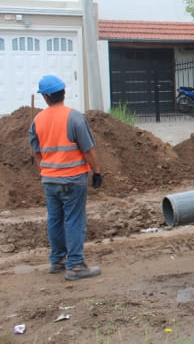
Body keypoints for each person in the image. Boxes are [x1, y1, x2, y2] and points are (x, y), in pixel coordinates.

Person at [28, 75, 103, 281]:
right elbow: (88, 149)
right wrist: (96, 172)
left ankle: (58, 260)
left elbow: (36, 152)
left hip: (49, 179)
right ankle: (76, 265)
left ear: (45, 97)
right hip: (72, 179)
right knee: (74, 220)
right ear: (64, 93)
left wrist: (45, 171)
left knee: (54, 219)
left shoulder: (37, 120)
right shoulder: (74, 117)